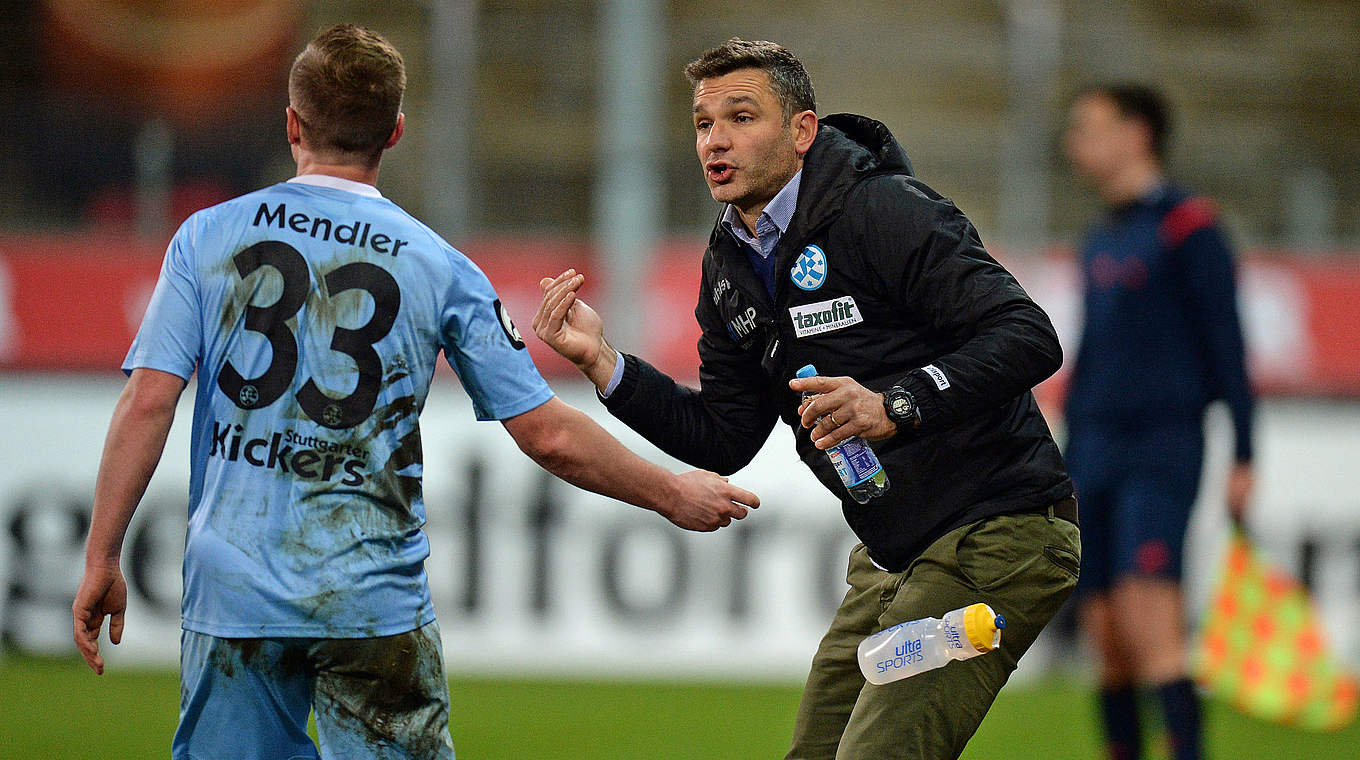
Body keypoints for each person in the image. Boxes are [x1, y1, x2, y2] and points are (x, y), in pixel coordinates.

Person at [71, 24, 757, 760]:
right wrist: (670, 493)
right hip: (372, 601)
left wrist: (102, 556)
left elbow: (148, 402)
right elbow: (548, 433)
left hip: (234, 593)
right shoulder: (439, 264)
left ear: (293, 123)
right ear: (395, 132)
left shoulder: (205, 238)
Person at [534, 38, 1080, 759]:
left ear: (801, 131)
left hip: (997, 535)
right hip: (891, 559)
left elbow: (1030, 335)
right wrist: (606, 365)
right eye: (703, 123)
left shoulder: (885, 209)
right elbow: (726, 435)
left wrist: (897, 403)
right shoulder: (729, 264)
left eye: (741, 116)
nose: (716, 140)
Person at [1063, 84, 1254, 760]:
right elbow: (1089, 356)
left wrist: (1244, 453)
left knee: (1153, 626)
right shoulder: (1102, 235)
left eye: (1088, 127)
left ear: (1137, 133)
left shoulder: (1188, 227)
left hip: (1160, 446)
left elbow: (1228, 348)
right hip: (1092, 449)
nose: (1073, 143)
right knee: (1107, 638)